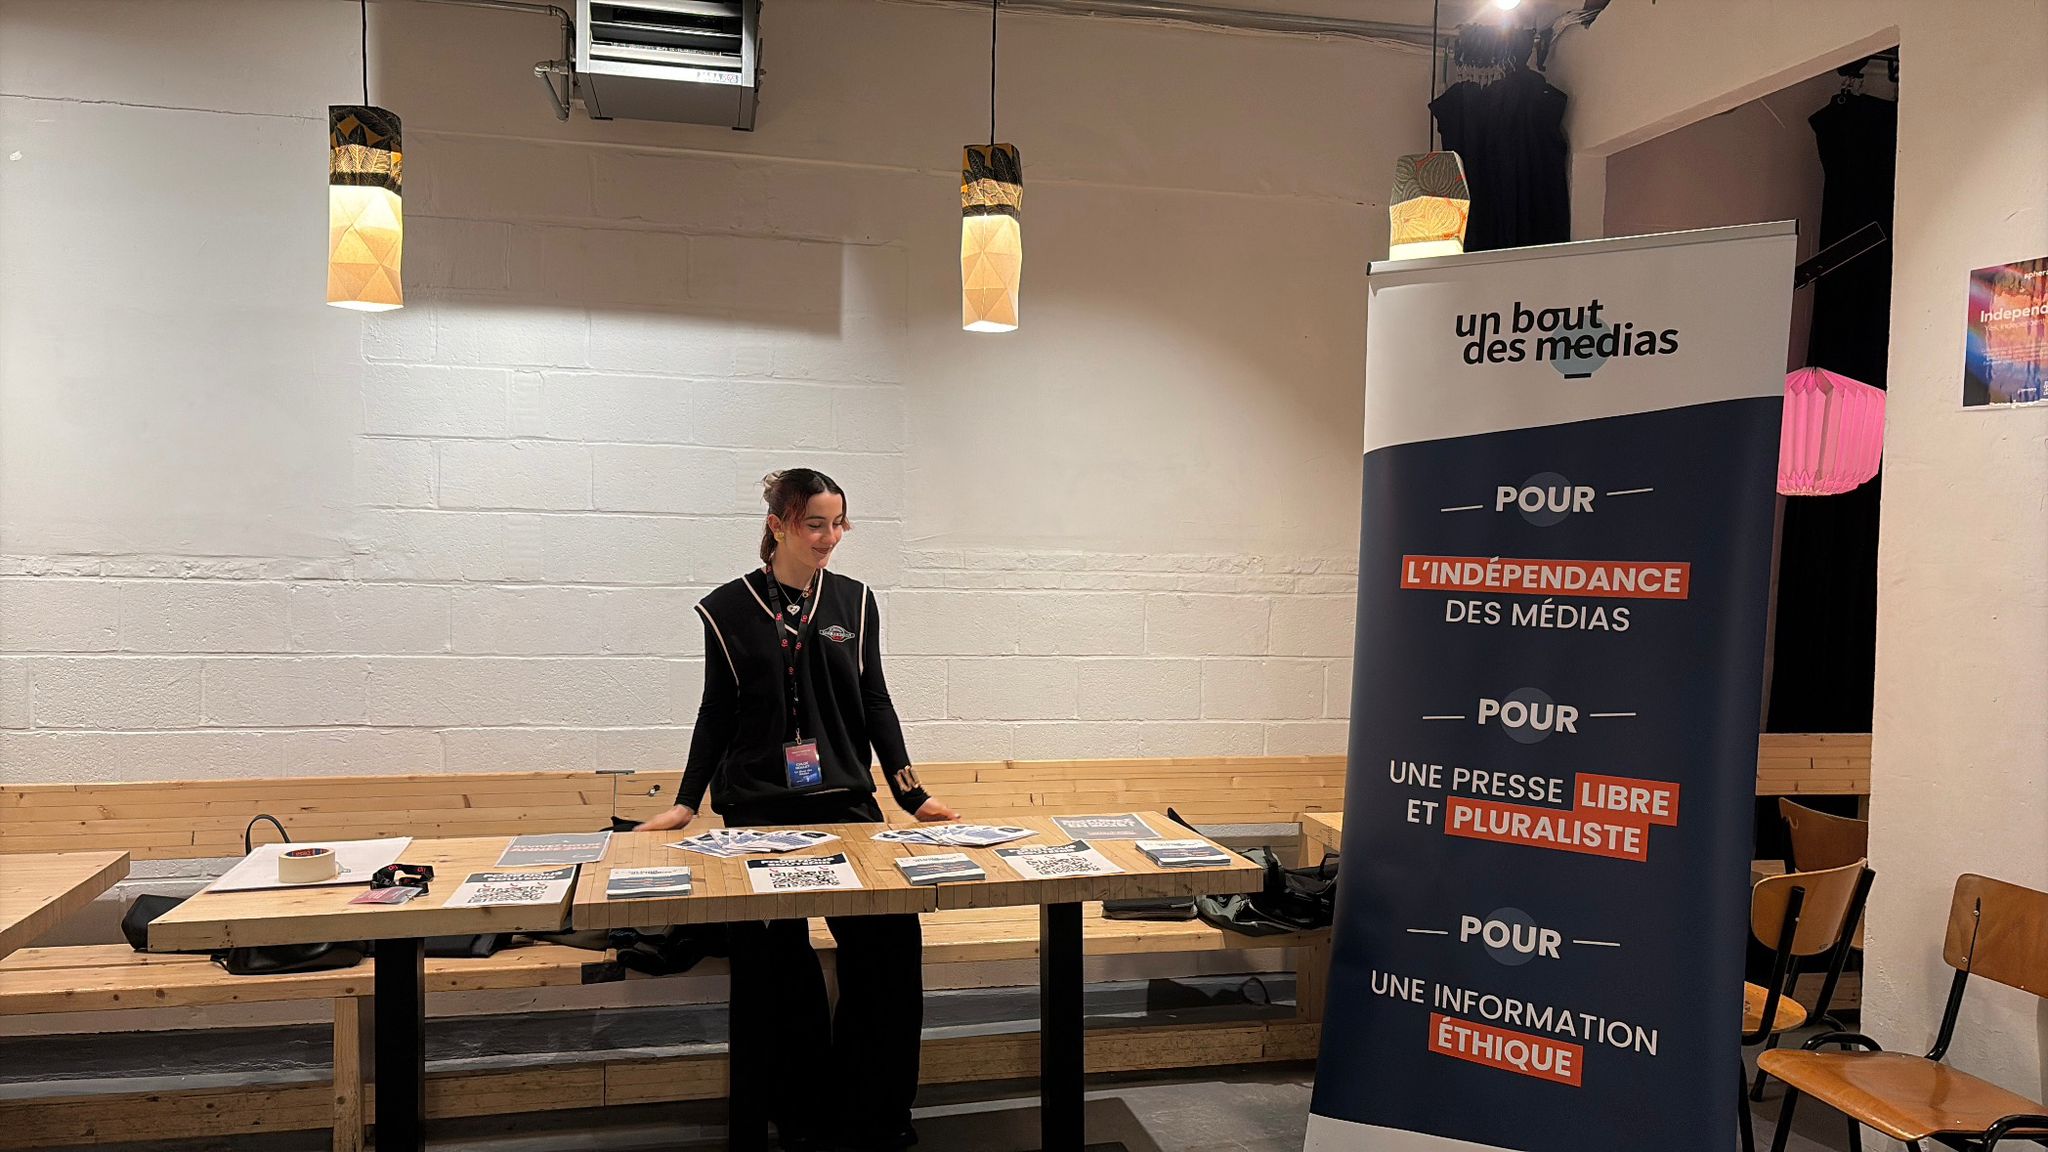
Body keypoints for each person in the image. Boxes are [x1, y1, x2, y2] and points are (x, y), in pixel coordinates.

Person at [637, 467, 957, 1152]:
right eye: (815, 524)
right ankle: (803, 1119)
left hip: (846, 804)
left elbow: (875, 699)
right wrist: (686, 803)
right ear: (778, 525)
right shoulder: (726, 610)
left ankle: (875, 1112)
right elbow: (716, 711)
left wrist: (910, 792)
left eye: (838, 524)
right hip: (758, 810)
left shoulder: (856, 602)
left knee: (890, 943)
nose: (829, 538)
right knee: (777, 958)